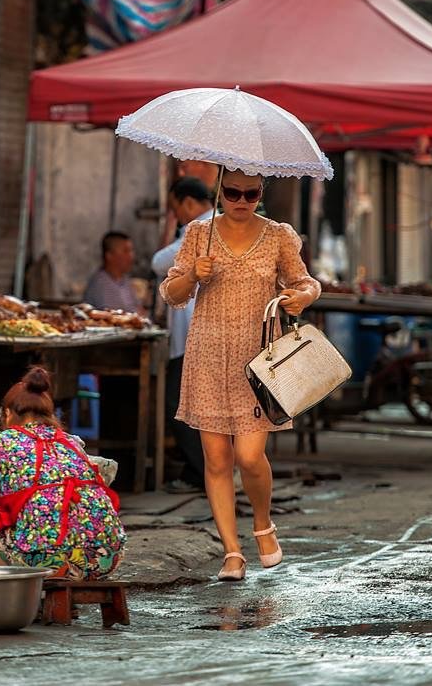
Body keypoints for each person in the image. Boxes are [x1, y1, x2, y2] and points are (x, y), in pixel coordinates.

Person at [160, 168, 321, 581]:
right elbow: (171, 293)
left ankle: (263, 524)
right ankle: (232, 553)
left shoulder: (279, 235)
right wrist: (194, 274)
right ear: (220, 191)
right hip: (208, 355)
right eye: (232, 192)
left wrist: (301, 297)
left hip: (258, 361)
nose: (241, 200)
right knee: (216, 459)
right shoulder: (199, 234)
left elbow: (306, 282)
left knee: (249, 457)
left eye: (250, 193)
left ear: (260, 193)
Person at [0, 367, 126, 579]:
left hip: (51, 564)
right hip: (108, 558)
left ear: (6, 413)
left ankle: (22, 588)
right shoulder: (72, 442)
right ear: (49, 415)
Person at [152, 177, 214, 494]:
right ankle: (204, 471)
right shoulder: (208, 229)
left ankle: (200, 473)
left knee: (180, 404)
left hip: (196, 336)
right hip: (200, 334)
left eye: (176, 209)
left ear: (188, 203)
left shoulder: (201, 230)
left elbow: (159, 262)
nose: (176, 215)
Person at [83, 231, 144, 315]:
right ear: (109, 255)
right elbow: (110, 316)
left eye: (131, 251)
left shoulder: (125, 281)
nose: (131, 256)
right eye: (126, 251)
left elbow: (139, 311)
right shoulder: (100, 283)